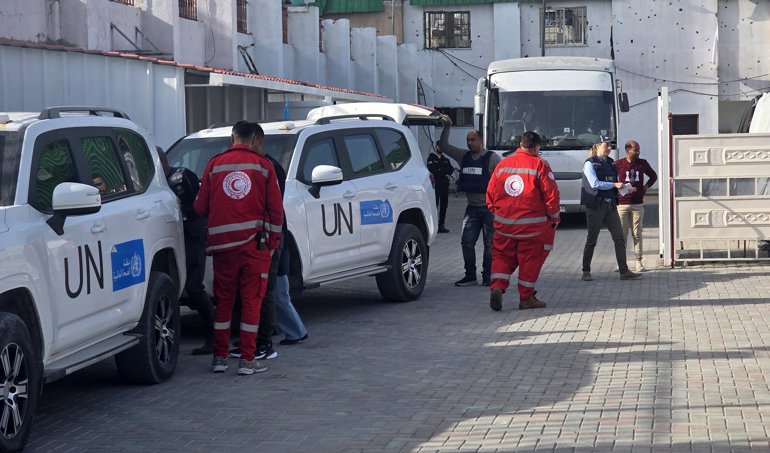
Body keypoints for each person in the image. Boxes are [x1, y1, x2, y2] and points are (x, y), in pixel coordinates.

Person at [194, 121, 284, 375]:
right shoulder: (264, 166)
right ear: (255, 139)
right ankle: (247, 360)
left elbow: (200, 207)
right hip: (255, 246)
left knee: (223, 304)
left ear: (233, 137)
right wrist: (273, 245)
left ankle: (219, 358)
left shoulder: (213, 164)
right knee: (251, 303)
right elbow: (276, 211)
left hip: (222, 247)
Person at [487, 131, 560, 311]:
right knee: (529, 260)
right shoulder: (539, 165)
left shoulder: (503, 164)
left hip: (504, 226)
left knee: (502, 256)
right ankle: (526, 298)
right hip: (532, 228)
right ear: (536, 147)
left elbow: (490, 195)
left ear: (520, 145)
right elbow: (551, 195)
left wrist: (497, 213)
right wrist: (554, 217)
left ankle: (497, 286)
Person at [157, 147, 215, 356]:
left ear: (162, 161)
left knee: (194, 287)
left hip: (191, 236)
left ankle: (215, 335)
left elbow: (199, 205)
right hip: (170, 239)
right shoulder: (154, 185)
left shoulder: (181, 177)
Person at [439, 116, 501, 287]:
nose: (469, 142)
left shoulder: (492, 158)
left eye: (473, 139)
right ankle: (470, 276)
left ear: (481, 141)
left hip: (489, 209)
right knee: (467, 243)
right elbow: (443, 146)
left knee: (490, 245)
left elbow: (504, 179)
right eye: (467, 140)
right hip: (471, 208)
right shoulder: (463, 156)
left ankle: (488, 277)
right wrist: (447, 126)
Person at [580, 137, 641, 281]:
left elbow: (615, 183)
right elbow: (595, 184)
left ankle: (624, 271)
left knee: (619, 238)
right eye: (606, 145)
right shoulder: (590, 163)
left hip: (610, 205)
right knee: (592, 239)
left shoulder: (610, 163)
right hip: (596, 206)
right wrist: (615, 185)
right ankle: (586, 271)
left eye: (610, 145)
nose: (609, 148)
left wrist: (626, 188)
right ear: (597, 146)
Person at [615, 140, 657, 272]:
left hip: (637, 203)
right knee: (622, 234)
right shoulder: (618, 164)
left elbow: (653, 176)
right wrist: (617, 187)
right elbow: (611, 179)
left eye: (639, 149)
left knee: (637, 233)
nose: (638, 152)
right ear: (628, 150)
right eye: (635, 150)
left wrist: (645, 187)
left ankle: (638, 261)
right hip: (621, 204)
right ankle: (621, 263)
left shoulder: (642, 163)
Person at [274, 247, 308, 345]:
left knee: (280, 298)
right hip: (279, 261)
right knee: (281, 298)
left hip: (278, 262)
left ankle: (296, 332)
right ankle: (297, 332)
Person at [427, 140, 454, 233]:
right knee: (435, 205)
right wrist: (443, 171)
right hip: (435, 185)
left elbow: (451, 169)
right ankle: (433, 226)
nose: (441, 148)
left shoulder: (445, 159)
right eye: (439, 146)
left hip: (444, 185)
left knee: (444, 205)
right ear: (436, 146)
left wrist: (440, 170)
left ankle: (441, 225)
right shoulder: (431, 157)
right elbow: (432, 169)